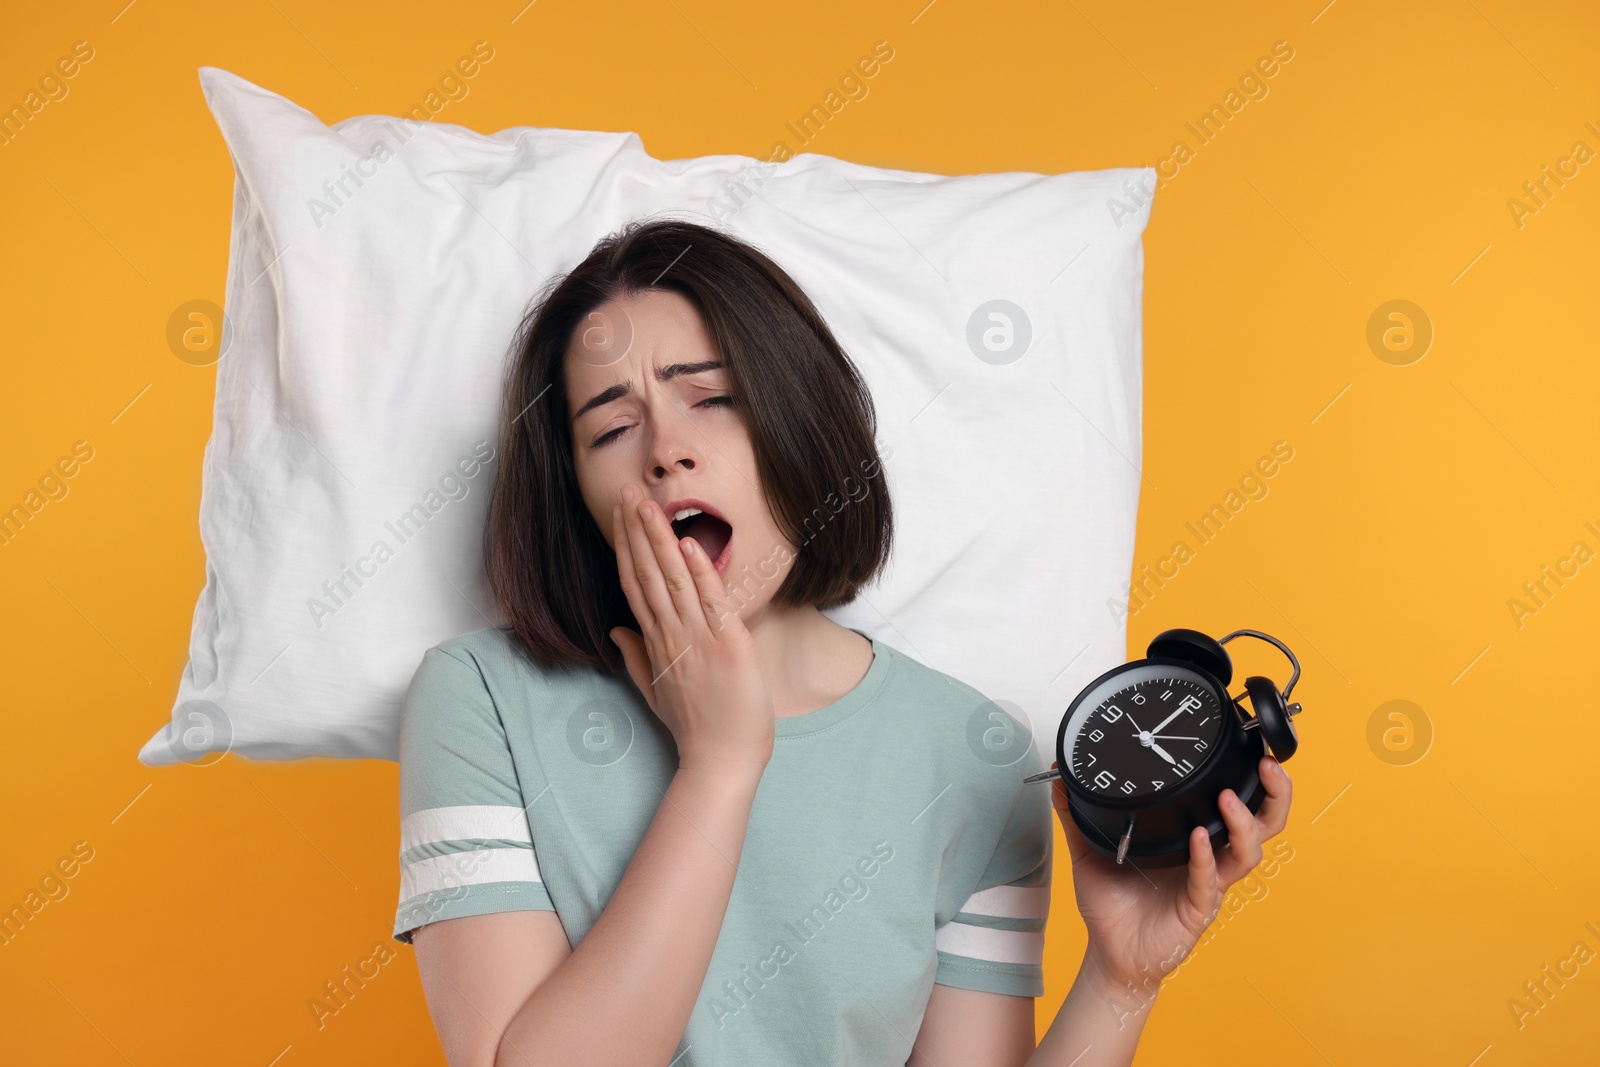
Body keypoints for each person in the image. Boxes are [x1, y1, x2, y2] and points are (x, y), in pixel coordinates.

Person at [391, 218, 1293, 1066]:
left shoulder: (970, 755)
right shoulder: (480, 700)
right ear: (576, 493)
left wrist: (1124, 977)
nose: (666, 450)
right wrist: (719, 766)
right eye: (612, 428)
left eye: (714, 399)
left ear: (799, 428)